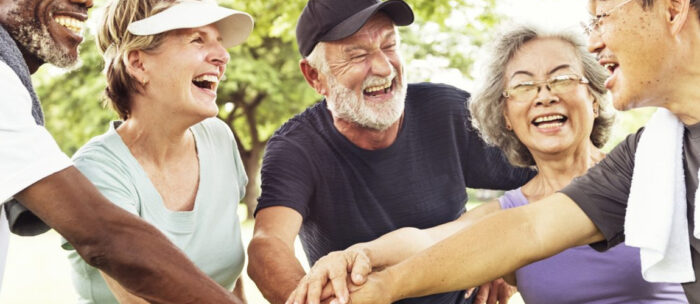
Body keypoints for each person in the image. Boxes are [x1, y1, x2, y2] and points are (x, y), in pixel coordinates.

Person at [288, 24, 688, 304]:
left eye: (562, 78)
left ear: (596, 96)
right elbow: (429, 240)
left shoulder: (649, 168)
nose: (544, 95)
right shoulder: (508, 215)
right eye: (523, 86)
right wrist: (355, 254)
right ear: (506, 115)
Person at [246, 1, 535, 304]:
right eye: (357, 55)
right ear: (314, 77)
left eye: (390, 45)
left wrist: (508, 254)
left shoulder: (447, 112)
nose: (384, 67)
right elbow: (268, 243)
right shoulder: (296, 147)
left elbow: (561, 175)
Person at [0, 0, 246, 302]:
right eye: (197, 39)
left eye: (219, 42)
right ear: (138, 64)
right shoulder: (97, 170)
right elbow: (110, 243)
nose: (223, 57)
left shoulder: (219, 140)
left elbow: (229, 279)